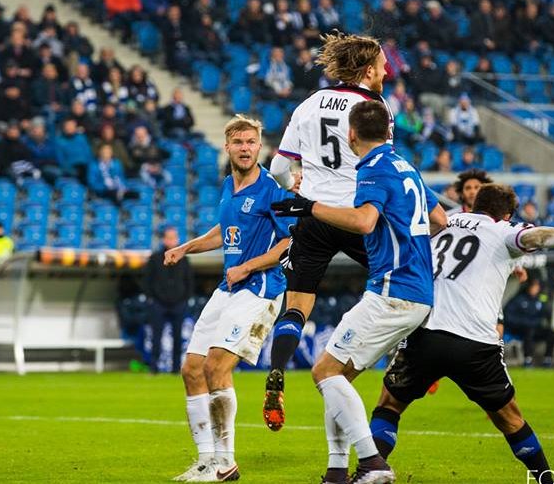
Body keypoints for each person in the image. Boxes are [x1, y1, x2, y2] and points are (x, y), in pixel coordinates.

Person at [369, 184, 554, 484]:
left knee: (389, 406)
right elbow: (538, 236)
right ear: (507, 215)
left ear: (474, 204)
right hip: (474, 344)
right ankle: (546, 479)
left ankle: (371, 470)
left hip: (425, 333)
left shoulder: (445, 224)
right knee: (510, 419)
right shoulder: (502, 232)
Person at [271, 100, 446, 484]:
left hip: (392, 291)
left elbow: (364, 222)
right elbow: (440, 219)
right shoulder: (406, 166)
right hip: (419, 291)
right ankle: (335, 471)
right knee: (337, 377)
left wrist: (310, 207)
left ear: (351, 135)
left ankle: (372, 463)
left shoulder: (373, 168)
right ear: (388, 132)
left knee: (324, 372)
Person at [263, 32, 392, 431]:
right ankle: (404, 357)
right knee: (397, 282)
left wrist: (297, 185)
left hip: (311, 215)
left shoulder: (308, 104)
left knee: (297, 305)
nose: (387, 71)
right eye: (384, 65)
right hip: (355, 215)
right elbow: (383, 166)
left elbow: (280, 170)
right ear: (368, 70)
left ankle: (277, 371)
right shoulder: (373, 108)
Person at [166, 115, 293, 482]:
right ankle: (206, 460)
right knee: (191, 368)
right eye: (238, 142)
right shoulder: (228, 185)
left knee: (216, 367)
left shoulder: (273, 188)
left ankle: (225, 463)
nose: (245, 148)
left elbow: (288, 243)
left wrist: (249, 267)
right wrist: (186, 247)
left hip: (261, 287)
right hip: (230, 287)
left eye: (251, 142)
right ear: (227, 147)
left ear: (260, 147)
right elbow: (226, 230)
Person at [143, 226, 194, 374]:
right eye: (169, 237)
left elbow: (189, 281)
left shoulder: (184, 260)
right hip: (158, 304)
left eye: (174, 237)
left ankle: (176, 369)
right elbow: (147, 280)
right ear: (164, 239)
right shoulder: (155, 258)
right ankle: (154, 368)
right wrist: (151, 298)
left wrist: (185, 298)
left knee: (178, 337)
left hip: (178, 304)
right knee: (156, 336)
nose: (172, 240)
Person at [504, 279, 554, 367]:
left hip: (537, 328)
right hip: (521, 329)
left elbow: (549, 314)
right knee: (529, 330)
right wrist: (526, 323)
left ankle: (549, 360)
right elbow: (509, 317)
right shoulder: (518, 300)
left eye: (537, 286)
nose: (535, 289)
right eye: (533, 286)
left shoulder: (540, 300)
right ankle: (528, 360)